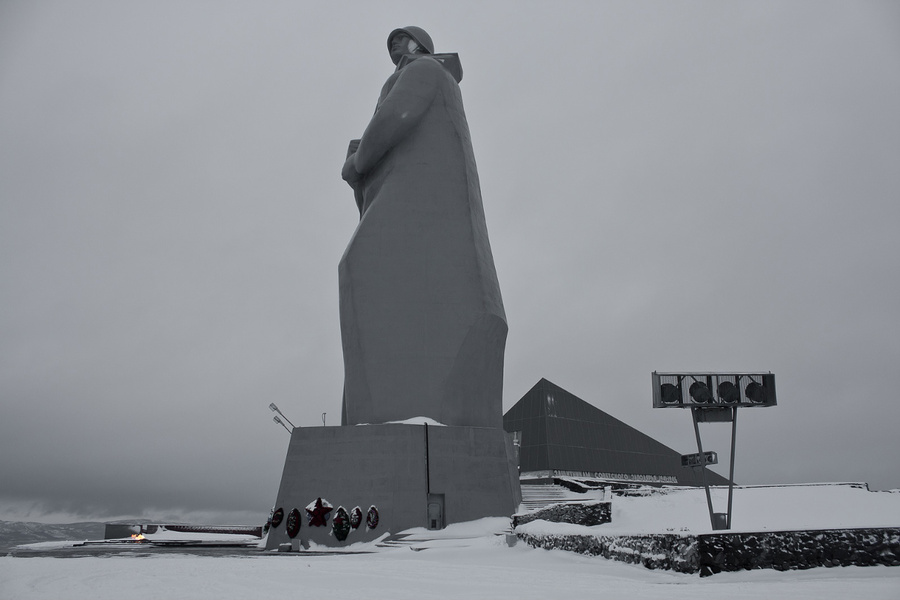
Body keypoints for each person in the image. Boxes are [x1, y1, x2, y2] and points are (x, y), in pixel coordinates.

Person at [338, 27, 507, 429]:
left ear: (420, 45)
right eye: (391, 42)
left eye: (402, 39)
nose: (394, 46)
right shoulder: (433, 78)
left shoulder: (424, 72)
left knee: (362, 267)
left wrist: (358, 161)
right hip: (416, 203)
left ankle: (387, 411)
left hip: (415, 203)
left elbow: (397, 118)